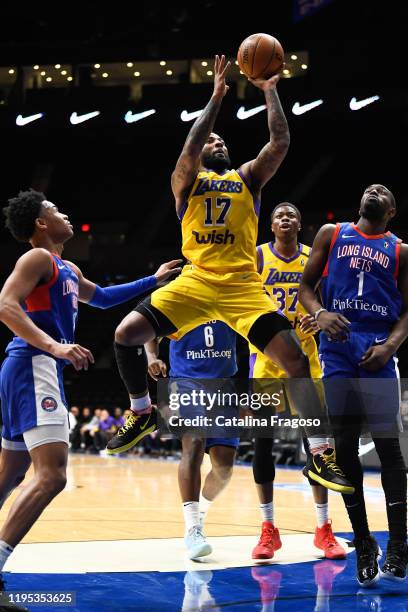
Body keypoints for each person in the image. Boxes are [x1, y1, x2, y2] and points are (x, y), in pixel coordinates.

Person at [106, 56, 351, 495]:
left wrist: (270, 89)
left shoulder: (247, 179)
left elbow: (279, 143)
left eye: (221, 141)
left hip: (242, 288)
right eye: (210, 141)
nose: (217, 143)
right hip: (196, 282)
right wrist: (216, 98)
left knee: (295, 361)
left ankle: (320, 455)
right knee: (125, 334)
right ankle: (141, 413)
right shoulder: (186, 182)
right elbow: (188, 148)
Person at [0, 189, 181, 578]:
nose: (66, 214)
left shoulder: (67, 269)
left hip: (29, 369)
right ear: (41, 223)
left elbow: (101, 299)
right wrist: (55, 346)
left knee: (11, 476)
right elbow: (5, 304)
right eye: (56, 209)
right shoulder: (37, 257)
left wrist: (154, 280)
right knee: (52, 476)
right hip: (35, 363)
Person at [299, 184, 408, 586]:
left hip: (377, 349)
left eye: (384, 191)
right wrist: (322, 313)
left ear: (391, 210)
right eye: (369, 188)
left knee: (388, 448)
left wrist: (390, 345)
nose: (375, 189)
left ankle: (399, 542)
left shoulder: (401, 250)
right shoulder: (332, 233)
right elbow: (306, 289)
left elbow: (407, 312)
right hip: (338, 350)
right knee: (344, 447)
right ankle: (364, 542)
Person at [248, 203, 346, 561]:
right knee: (262, 447)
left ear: (300, 224)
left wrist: (318, 321)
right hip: (267, 364)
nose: (285, 219)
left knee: (318, 449)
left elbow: (330, 301)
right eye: (279, 215)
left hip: (307, 363)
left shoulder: (311, 258)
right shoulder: (258, 257)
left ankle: (323, 529)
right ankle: (268, 530)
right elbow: (243, 307)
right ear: (271, 225)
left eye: (291, 215)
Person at [146, 319, 239, 559]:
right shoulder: (178, 295)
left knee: (224, 467)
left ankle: (201, 513)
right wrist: (151, 357)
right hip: (185, 382)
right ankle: (192, 529)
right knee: (194, 444)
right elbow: (149, 329)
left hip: (225, 386)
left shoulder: (233, 293)